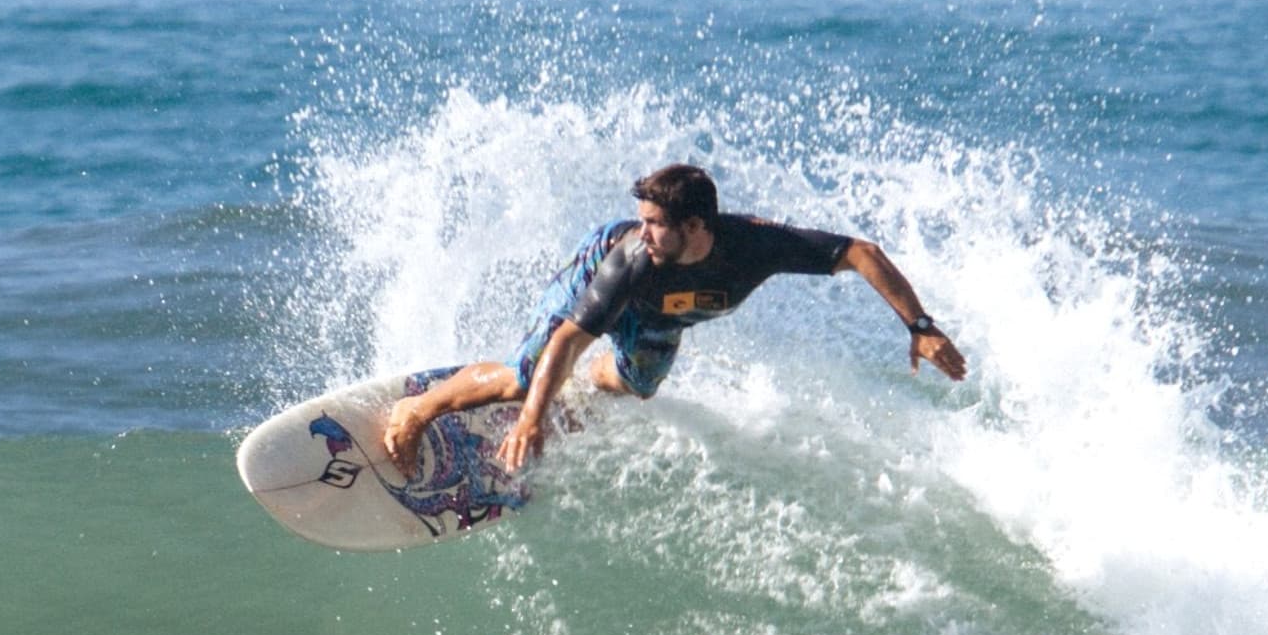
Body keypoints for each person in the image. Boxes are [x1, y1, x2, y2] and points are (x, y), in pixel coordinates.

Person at [379, 163, 967, 477]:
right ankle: (419, 411)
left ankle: (575, 388)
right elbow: (569, 336)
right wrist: (531, 420)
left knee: (635, 385)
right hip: (598, 281)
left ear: (695, 227)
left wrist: (920, 328)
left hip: (665, 315)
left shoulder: (757, 247)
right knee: (527, 377)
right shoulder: (629, 256)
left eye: (655, 224)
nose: (644, 232)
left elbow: (860, 252)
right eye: (641, 220)